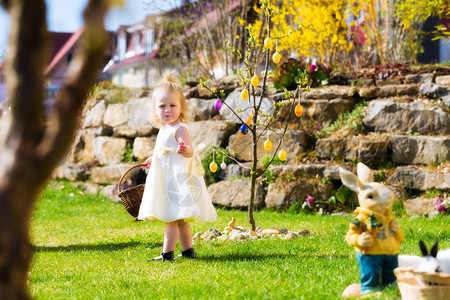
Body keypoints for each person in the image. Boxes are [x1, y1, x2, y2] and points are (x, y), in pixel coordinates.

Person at [138, 70, 216, 261]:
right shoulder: (164, 128)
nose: (167, 110)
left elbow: (190, 151)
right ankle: (188, 251)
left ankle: (167, 254)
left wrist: (185, 150)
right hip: (166, 177)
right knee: (179, 219)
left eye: (173, 105)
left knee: (171, 219)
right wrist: (151, 158)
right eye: (162, 106)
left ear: (181, 107)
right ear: (155, 109)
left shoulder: (180, 128)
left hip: (176, 180)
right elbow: (161, 149)